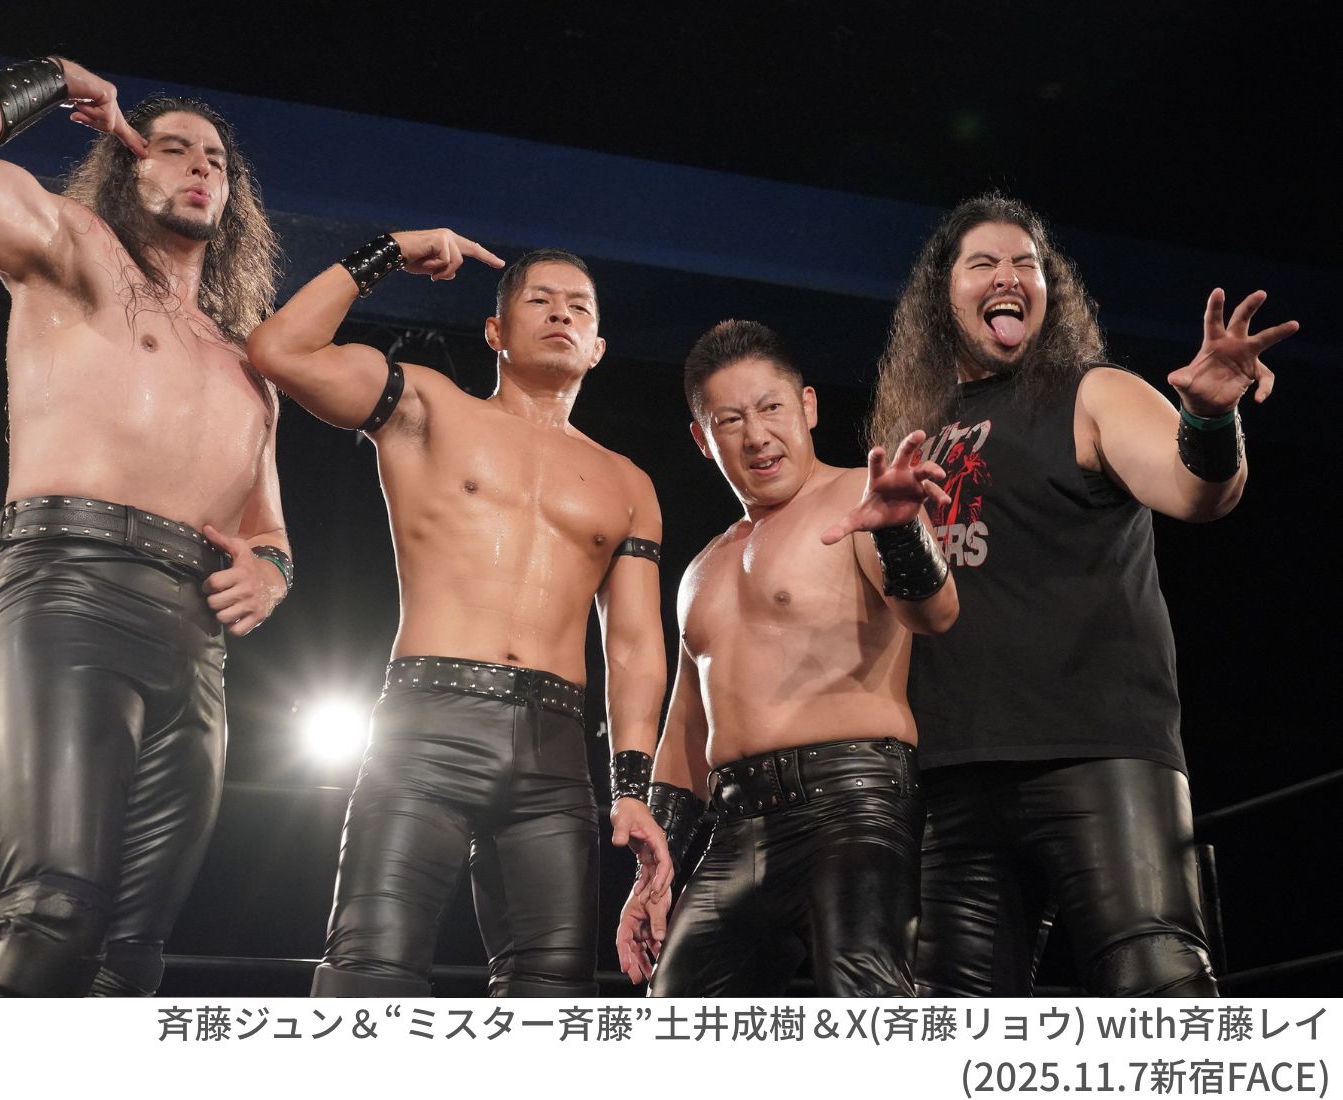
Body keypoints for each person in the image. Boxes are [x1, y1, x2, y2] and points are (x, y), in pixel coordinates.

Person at [0, 58, 291, 995]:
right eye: (173, 148)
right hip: (71, 590)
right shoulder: (76, 251)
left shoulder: (246, 361)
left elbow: (266, 526)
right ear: (127, 163)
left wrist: (273, 571)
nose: (200, 167)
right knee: (54, 910)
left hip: (194, 642)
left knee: (132, 953)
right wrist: (53, 76)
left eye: (217, 160)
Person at [867, 192, 1298, 997]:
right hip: (955, 771)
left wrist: (1208, 420)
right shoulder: (915, 433)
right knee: (950, 1033)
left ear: (1048, 288)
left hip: (1098, 751)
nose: (1009, 276)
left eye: (1026, 264)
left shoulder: (1093, 392)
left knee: (1158, 988)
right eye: (984, 263)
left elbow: (1194, 492)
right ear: (942, 295)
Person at [247, 237, 672, 997]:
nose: (561, 314)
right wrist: (388, 253)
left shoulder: (628, 483)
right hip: (427, 729)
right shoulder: (428, 405)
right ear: (495, 330)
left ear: (599, 347)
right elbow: (280, 350)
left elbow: (636, 646)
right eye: (540, 300)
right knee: (369, 973)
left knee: (553, 997)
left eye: (579, 307)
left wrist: (632, 786)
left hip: (554, 753)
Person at [615, 319, 958, 995]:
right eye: (730, 419)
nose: (757, 434)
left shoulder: (863, 499)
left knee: (866, 1014)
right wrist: (655, 870)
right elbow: (685, 731)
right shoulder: (703, 567)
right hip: (735, 825)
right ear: (703, 440)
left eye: (770, 407)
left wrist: (899, 536)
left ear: (807, 406)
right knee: (672, 1018)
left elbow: (937, 615)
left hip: (852, 804)